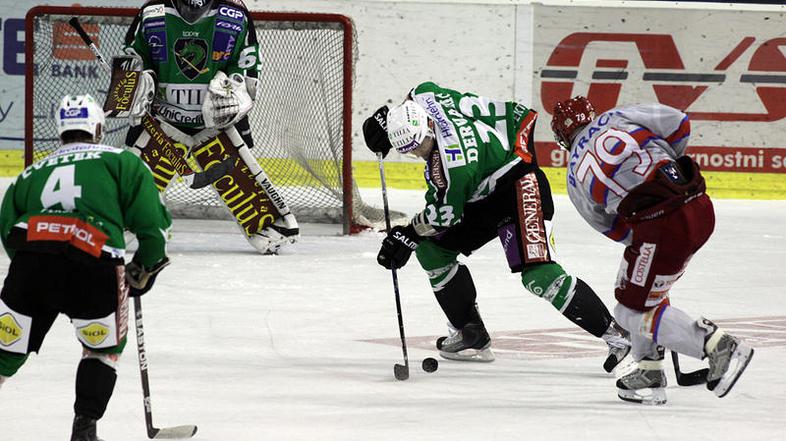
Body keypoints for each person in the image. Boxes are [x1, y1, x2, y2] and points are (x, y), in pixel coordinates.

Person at [363, 82, 630, 371]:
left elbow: (444, 215)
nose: (417, 154)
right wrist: (388, 122)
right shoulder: (424, 96)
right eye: (409, 150)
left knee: (538, 275)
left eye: (418, 146)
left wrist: (408, 234)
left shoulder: (454, 164)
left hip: (519, 185)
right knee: (432, 251)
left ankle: (618, 336)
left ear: (428, 128)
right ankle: (470, 333)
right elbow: (412, 99)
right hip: (484, 187)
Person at [550, 96, 754, 404]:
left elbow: (612, 228)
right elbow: (680, 123)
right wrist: (670, 179)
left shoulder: (573, 177)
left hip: (662, 228)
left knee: (629, 311)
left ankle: (718, 346)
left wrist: (651, 244)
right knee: (637, 291)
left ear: (562, 136)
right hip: (698, 203)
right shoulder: (617, 116)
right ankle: (649, 370)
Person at [0, 95, 172, 441]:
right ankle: (84, 431)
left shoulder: (31, 172)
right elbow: (153, 226)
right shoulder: (121, 161)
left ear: (60, 131)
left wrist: (35, 268)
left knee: (5, 348)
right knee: (102, 348)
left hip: (32, 261)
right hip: (94, 261)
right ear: (98, 129)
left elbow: (7, 228)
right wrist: (146, 264)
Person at [122, 0, 298, 254]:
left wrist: (236, 92)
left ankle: (267, 225)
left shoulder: (235, 14)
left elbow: (247, 68)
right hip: (163, 119)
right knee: (123, 209)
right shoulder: (152, 12)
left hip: (218, 123)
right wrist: (139, 80)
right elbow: (132, 58)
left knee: (273, 232)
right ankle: (121, 221)